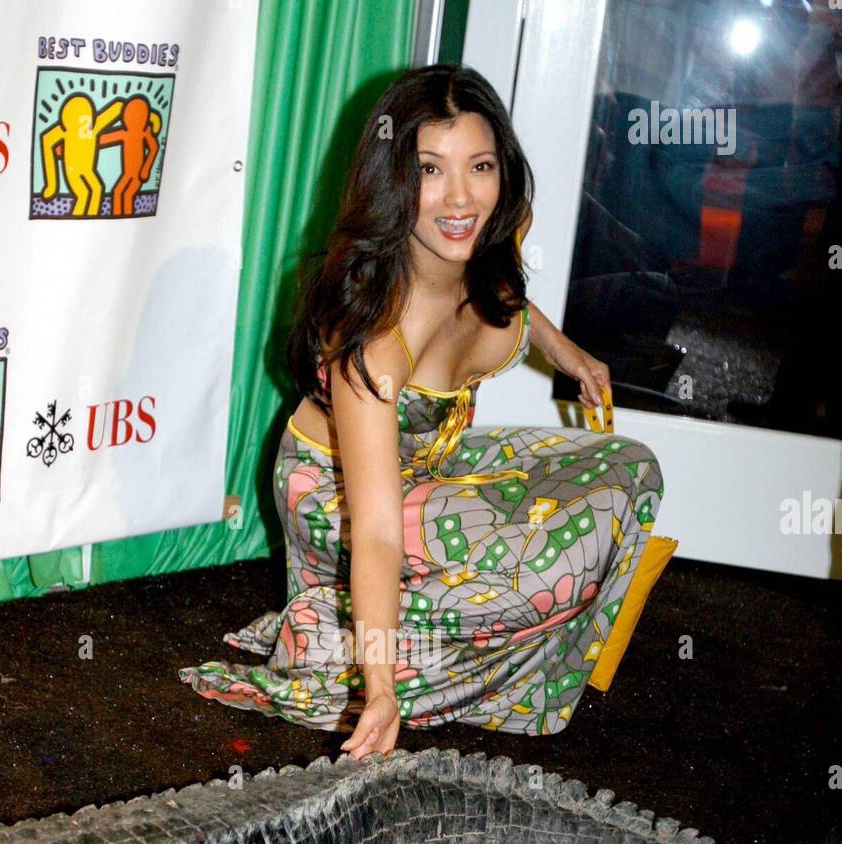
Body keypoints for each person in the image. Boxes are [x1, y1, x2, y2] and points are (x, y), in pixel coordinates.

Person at [179, 64, 664, 758]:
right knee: (546, 574)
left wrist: (568, 354)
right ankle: (343, 643)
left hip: (432, 465)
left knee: (628, 470)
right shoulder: (375, 340)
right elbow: (375, 530)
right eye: (430, 171)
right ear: (393, 182)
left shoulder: (481, 243)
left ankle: (370, 630)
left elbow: (512, 305)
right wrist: (377, 689)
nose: (460, 197)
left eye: (480, 165)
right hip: (342, 499)